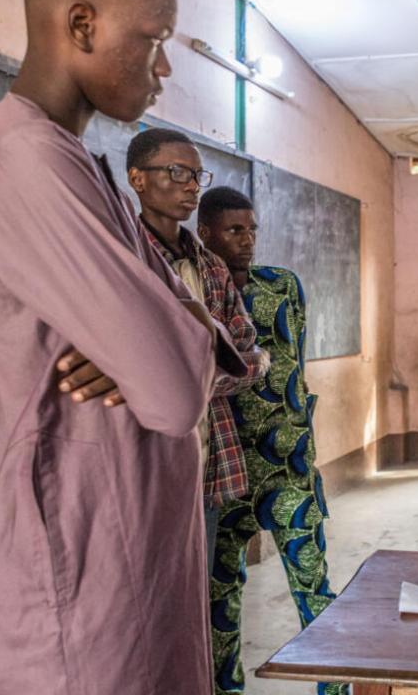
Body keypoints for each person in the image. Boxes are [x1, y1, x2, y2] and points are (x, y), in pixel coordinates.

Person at [0, 0, 252, 693]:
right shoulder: (21, 160)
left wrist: (162, 337)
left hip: (127, 558)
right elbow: (178, 389)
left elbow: (196, 343)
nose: (164, 66)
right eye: (155, 39)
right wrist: (159, 343)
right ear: (82, 23)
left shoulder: (80, 163)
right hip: (73, 580)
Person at [125, 129, 271, 682]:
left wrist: (186, 374)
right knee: (138, 600)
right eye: (175, 173)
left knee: (192, 599)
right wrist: (217, 366)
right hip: (140, 460)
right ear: (137, 178)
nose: (189, 187)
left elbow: (248, 352)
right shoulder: (122, 254)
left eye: (195, 175)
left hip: (206, 462)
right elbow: (125, 364)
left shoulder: (207, 265)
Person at [198, 186, 345, 695]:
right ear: (206, 233)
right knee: (220, 601)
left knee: (313, 583)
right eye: (235, 230)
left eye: (252, 229)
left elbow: (295, 366)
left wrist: (299, 435)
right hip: (224, 473)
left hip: (287, 468)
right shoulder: (194, 296)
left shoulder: (282, 286)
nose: (247, 240)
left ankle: (335, 687)